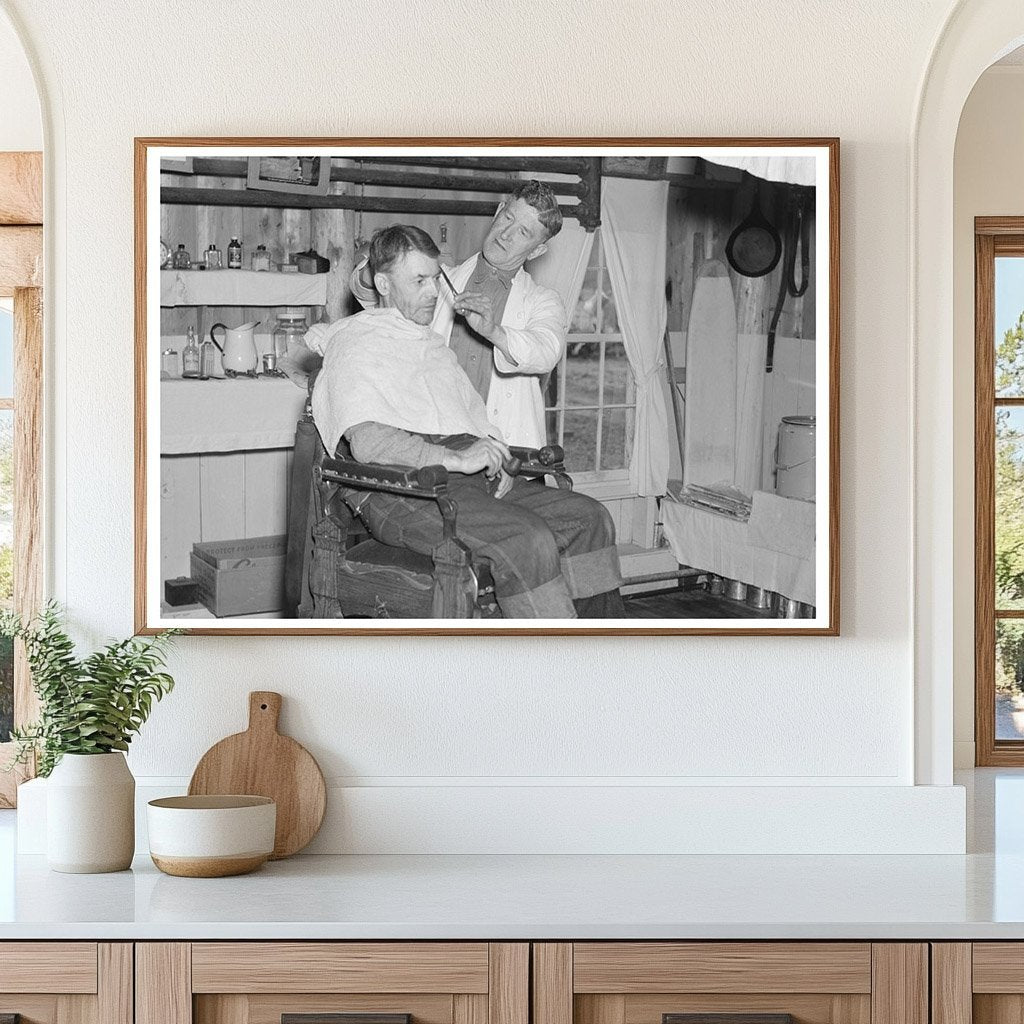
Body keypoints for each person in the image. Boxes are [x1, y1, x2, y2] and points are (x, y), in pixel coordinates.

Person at [309, 224, 623, 620]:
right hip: (404, 491)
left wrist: (500, 455)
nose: (431, 292)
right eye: (418, 280)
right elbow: (372, 445)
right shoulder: (355, 344)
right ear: (384, 285)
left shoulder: (430, 345)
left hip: (465, 483)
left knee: (589, 519)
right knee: (528, 539)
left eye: (434, 278)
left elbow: (468, 419)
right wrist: (457, 460)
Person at [350, 179, 565, 448]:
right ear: (498, 211)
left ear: (536, 250)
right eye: (508, 217)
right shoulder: (440, 281)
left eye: (523, 232)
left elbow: (546, 351)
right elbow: (368, 296)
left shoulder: (543, 301)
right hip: (436, 443)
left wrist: (492, 331)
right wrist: (381, 263)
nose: (506, 233)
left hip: (509, 449)